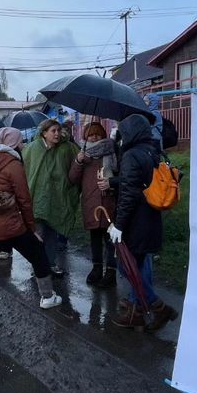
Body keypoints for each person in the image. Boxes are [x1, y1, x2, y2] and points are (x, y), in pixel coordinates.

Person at [0, 127, 62, 339]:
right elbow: (24, 200)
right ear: (13, 144)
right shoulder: (14, 165)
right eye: (20, 142)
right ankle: (47, 296)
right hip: (11, 226)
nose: (22, 145)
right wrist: (32, 228)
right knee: (38, 253)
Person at [107, 113, 178, 331]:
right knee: (140, 262)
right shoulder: (152, 150)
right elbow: (141, 183)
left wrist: (119, 225)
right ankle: (138, 304)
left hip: (136, 221)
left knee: (127, 264)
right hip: (151, 217)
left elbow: (129, 193)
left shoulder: (130, 155)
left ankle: (154, 306)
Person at [22, 118, 80, 277]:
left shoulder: (67, 148)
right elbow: (26, 169)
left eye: (58, 130)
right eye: (53, 131)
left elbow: (75, 168)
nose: (57, 134)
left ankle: (51, 263)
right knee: (39, 233)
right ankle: (39, 265)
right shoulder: (33, 148)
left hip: (58, 197)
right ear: (44, 133)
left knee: (53, 231)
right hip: (38, 197)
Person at [68, 121, 117, 288]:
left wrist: (112, 182)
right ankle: (97, 268)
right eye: (91, 134)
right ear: (85, 137)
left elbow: (120, 173)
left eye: (98, 133)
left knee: (110, 239)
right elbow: (73, 178)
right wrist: (78, 161)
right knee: (95, 237)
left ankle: (111, 271)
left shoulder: (112, 150)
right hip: (91, 201)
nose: (95, 137)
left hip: (109, 200)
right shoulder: (83, 154)